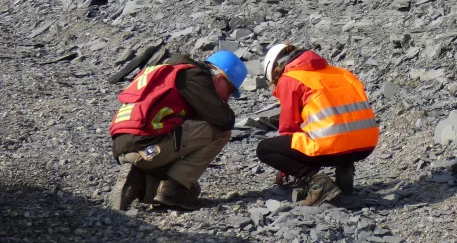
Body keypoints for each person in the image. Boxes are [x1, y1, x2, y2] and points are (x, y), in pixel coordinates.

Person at [108, 50, 247, 211]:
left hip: (122, 147)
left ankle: (138, 180)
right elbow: (225, 120)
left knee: (192, 189)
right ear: (220, 78)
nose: (227, 98)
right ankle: (173, 189)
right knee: (220, 132)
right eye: (229, 91)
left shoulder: (168, 70)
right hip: (147, 146)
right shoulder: (194, 76)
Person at [255, 43, 379, 206]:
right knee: (330, 132)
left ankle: (319, 184)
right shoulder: (342, 73)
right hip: (365, 146)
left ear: (275, 72)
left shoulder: (291, 79)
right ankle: (345, 168)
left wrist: (285, 168)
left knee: (265, 149)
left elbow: (289, 129)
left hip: (332, 148)